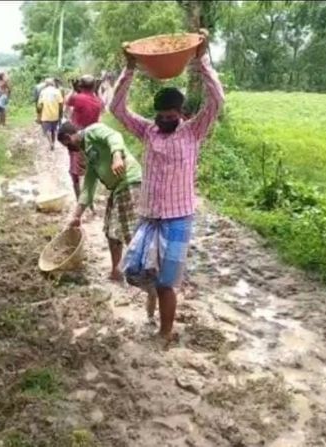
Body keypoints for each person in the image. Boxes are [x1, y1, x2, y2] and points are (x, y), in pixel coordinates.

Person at [111, 29, 225, 345]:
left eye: (170, 115)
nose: (164, 119)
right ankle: (151, 297)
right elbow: (117, 109)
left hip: (178, 218)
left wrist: (201, 59)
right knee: (138, 270)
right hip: (149, 216)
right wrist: (130, 67)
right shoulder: (148, 131)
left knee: (165, 282)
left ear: (182, 114)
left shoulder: (192, 132)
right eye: (160, 115)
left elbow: (217, 100)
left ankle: (165, 332)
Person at [60, 121, 159, 322]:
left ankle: (151, 280)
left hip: (130, 182)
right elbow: (88, 186)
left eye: (67, 141)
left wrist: (115, 156)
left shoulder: (94, 130)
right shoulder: (89, 155)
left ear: (72, 134)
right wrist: (76, 215)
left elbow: (114, 137)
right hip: (118, 189)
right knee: (111, 231)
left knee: (133, 235)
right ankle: (116, 271)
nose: (69, 146)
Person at [65, 74, 104, 200]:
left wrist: (73, 89)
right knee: (90, 168)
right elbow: (102, 107)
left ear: (80, 86)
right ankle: (89, 196)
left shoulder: (78, 98)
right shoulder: (98, 101)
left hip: (77, 137)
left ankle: (79, 199)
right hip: (93, 136)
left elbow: (67, 101)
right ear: (94, 87)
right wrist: (96, 91)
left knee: (74, 171)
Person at [36, 78, 64, 150]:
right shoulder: (57, 91)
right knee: (54, 130)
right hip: (55, 114)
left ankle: (50, 143)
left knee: (47, 130)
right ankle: (53, 143)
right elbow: (61, 103)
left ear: (46, 84)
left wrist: (39, 114)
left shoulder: (43, 92)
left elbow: (39, 105)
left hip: (45, 114)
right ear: (53, 84)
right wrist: (60, 113)